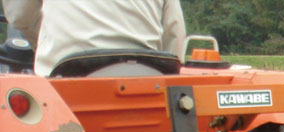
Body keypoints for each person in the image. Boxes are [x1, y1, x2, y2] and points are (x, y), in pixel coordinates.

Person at [2, 0, 186, 76]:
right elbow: (174, 32)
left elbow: (19, 15)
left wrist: (43, 39)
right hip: (144, 84)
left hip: (63, 82)